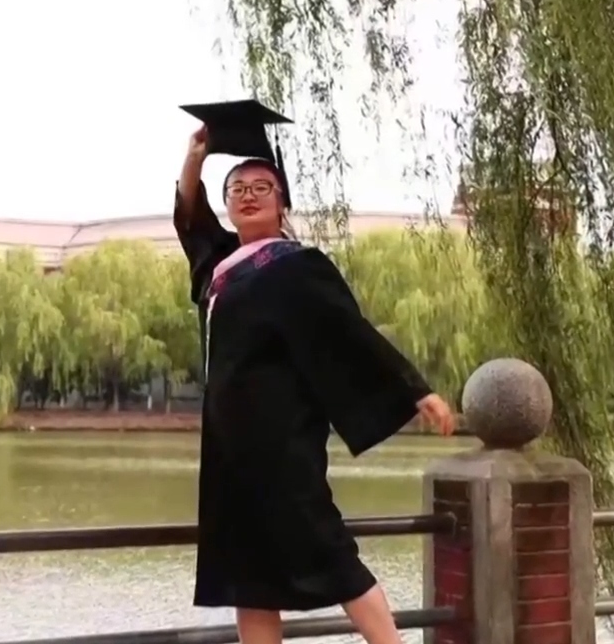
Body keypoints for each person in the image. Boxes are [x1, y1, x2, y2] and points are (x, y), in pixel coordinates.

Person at [174, 99, 457, 644]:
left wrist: (415, 390)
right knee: (248, 576)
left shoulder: (297, 265)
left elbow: (350, 331)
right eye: (237, 189)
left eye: (262, 188)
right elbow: (191, 219)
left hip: (283, 442)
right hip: (228, 450)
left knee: (331, 553)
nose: (248, 196)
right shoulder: (220, 266)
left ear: (282, 203)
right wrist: (196, 158)